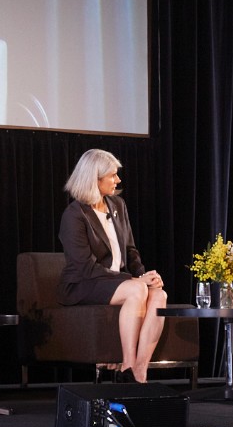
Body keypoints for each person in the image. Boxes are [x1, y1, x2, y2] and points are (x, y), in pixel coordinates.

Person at [57, 149, 166, 384]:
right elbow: (86, 267)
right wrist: (134, 282)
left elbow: (131, 251)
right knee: (137, 290)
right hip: (83, 284)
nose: (118, 180)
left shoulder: (118, 205)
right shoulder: (74, 215)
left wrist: (143, 275)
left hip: (119, 282)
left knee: (159, 296)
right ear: (94, 179)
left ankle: (140, 370)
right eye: (113, 175)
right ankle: (126, 366)